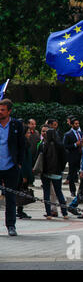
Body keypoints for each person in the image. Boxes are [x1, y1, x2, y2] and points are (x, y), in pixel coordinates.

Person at [0, 99, 25, 236]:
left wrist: (19, 163)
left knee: (10, 197)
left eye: (3, 110)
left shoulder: (16, 125)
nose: (0, 112)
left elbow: (22, 145)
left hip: (11, 166)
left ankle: (11, 225)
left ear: (9, 111)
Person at [39, 128, 69, 220]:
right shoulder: (60, 145)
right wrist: (61, 169)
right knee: (59, 192)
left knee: (46, 193)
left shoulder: (44, 145)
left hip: (45, 172)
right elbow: (64, 159)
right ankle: (64, 213)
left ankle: (48, 213)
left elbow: (40, 158)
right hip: (57, 172)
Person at [63, 117, 83, 197]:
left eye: (78, 123)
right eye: (75, 124)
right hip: (72, 156)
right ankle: (72, 191)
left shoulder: (81, 133)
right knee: (71, 174)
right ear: (71, 124)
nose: (77, 125)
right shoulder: (68, 134)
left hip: (81, 156)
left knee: (81, 173)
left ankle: (81, 190)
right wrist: (75, 144)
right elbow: (65, 146)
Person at [16, 125, 34, 219]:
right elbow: (22, 161)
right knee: (21, 191)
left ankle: (20, 209)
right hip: (22, 172)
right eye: (27, 132)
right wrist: (24, 175)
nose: (29, 134)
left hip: (26, 171)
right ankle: (19, 210)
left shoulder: (26, 142)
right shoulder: (22, 144)